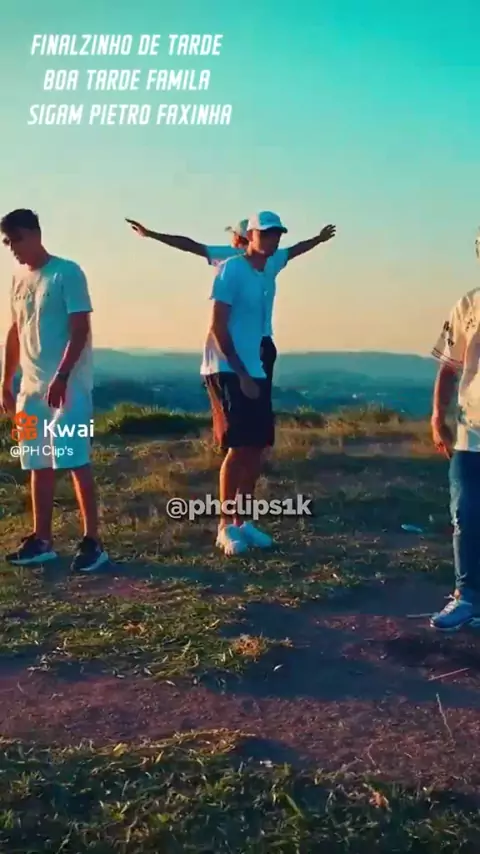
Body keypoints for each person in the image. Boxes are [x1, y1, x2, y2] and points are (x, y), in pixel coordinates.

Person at [0, 208, 108, 572]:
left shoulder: (67, 272)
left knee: (74, 460)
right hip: (30, 392)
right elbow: (14, 331)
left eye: (16, 239)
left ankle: (93, 541)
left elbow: (80, 328)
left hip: (68, 389)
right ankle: (41, 540)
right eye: (7, 242)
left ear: (35, 234)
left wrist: (62, 376)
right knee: (36, 461)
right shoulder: (17, 278)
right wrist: (6, 381)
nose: (12, 248)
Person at [125, 214, 336, 394]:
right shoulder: (273, 257)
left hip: (242, 341)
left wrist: (151, 234)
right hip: (263, 341)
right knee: (258, 398)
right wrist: (318, 239)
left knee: (244, 398)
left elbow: (189, 245)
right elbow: (296, 249)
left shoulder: (229, 256)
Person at [200, 211, 291, 556]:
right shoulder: (231, 269)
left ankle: (244, 521)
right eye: (265, 234)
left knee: (257, 445)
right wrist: (239, 373)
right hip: (227, 367)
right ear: (249, 236)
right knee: (238, 447)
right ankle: (225, 526)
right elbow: (218, 327)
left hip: (255, 366)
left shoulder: (265, 272)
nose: (272, 240)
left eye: (276, 234)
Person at [429, 237, 480, 630]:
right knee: (465, 514)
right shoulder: (468, 305)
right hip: (471, 432)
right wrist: (437, 416)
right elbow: (449, 367)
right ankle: (467, 597)